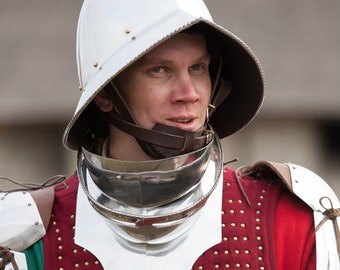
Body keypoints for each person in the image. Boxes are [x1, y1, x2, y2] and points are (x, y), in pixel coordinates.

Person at [1, 0, 339, 269]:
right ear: (105, 95)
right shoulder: (25, 236)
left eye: (198, 68)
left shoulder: (291, 218)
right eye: (160, 70)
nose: (189, 92)